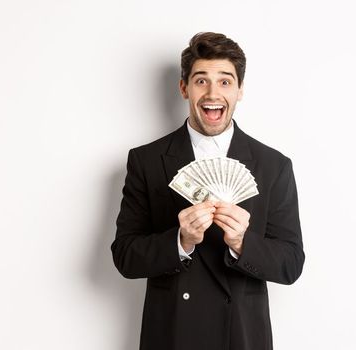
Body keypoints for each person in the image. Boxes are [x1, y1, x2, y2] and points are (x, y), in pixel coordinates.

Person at [112, 32, 305, 350]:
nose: (213, 93)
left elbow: (291, 263)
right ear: (184, 87)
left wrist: (243, 242)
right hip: (172, 335)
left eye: (225, 81)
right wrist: (180, 240)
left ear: (240, 90)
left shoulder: (274, 166)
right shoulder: (146, 160)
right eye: (201, 81)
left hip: (241, 337)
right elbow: (125, 256)